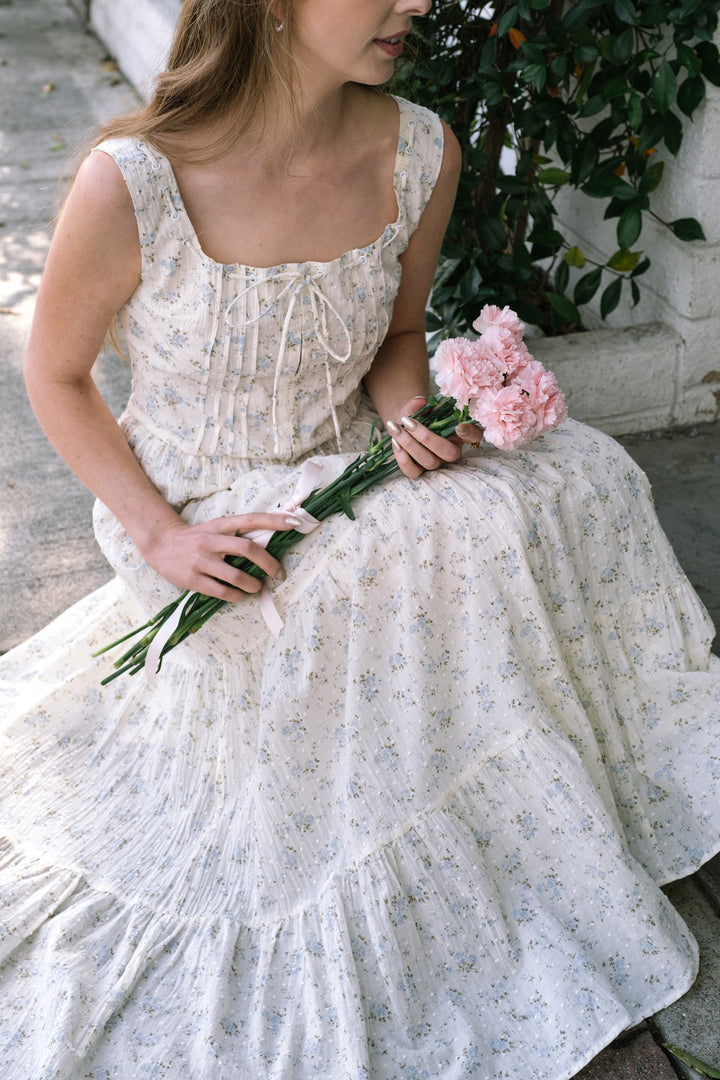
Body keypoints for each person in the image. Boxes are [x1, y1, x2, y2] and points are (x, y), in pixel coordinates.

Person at [1, 0, 719, 1076]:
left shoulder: (420, 146)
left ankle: (576, 804)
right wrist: (160, 538)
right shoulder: (134, 179)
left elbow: (394, 336)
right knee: (384, 586)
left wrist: (404, 420)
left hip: (349, 469)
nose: (420, 3)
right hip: (203, 509)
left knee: (575, 481)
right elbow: (54, 376)